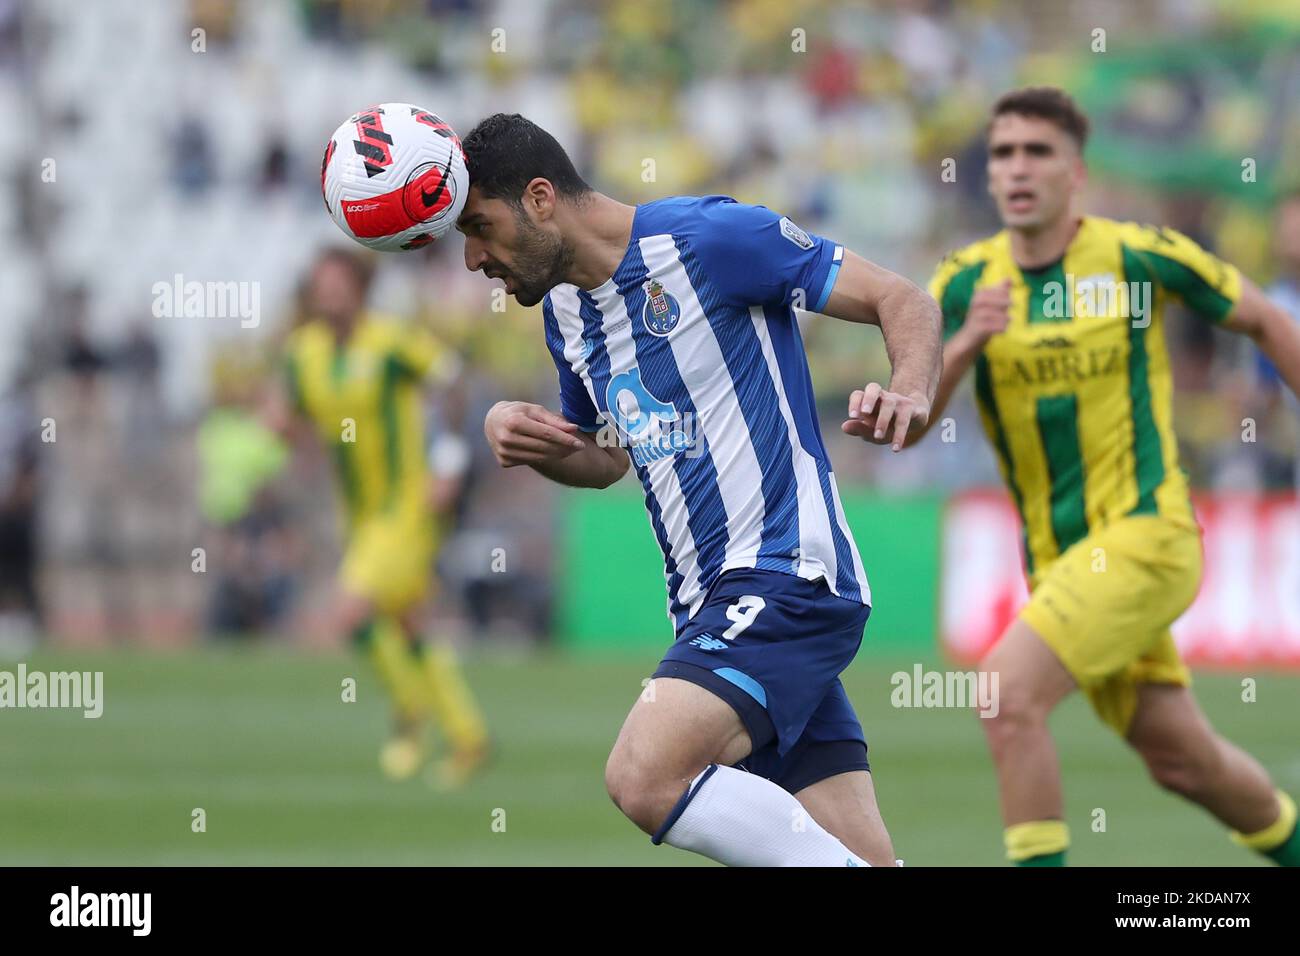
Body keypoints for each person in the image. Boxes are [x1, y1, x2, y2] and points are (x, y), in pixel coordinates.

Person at [462, 113, 942, 866]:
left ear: (542, 198)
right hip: (708, 607)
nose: (471, 258)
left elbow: (903, 298)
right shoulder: (565, 312)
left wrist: (910, 392)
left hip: (788, 573)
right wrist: (533, 443)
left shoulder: (708, 239)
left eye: (481, 227)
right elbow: (608, 457)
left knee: (642, 775)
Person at [915, 87, 1300, 866]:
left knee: (1003, 693)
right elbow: (913, 421)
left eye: (1038, 152)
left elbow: (1264, 317)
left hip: (1147, 535)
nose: (1018, 168)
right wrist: (963, 346)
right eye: (1003, 153)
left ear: (1077, 172)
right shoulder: (962, 284)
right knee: (1184, 762)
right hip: (1061, 563)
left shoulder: (1134, 255)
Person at [264, 248, 490, 788]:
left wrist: (449, 461)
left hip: (407, 506)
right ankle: (468, 736)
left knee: (350, 613)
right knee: (408, 622)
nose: (330, 293)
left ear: (359, 287)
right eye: (321, 284)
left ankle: (411, 713)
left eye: (339, 282)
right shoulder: (304, 353)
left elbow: (452, 380)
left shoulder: (389, 342)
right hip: (359, 514)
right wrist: (278, 427)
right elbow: (286, 417)